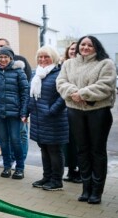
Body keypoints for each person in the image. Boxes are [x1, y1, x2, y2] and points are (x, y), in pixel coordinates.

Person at [56, 35, 116, 204]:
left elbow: (106, 85)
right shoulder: (69, 64)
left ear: (96, 47)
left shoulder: (106, 63)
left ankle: (97, 191)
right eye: (83, 44)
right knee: (82, 150)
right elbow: (61, 82)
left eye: (90, 45)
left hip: (98, 112)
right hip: (75, 112)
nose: (85, 47)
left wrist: (82, 94)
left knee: (97, 151)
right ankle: (86, 188)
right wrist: (73, 92)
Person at [0, 46, 30, 180]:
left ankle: (20, 168)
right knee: (3, 141)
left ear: (11, 58)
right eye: (0, 57)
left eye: (6, 57)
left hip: (14, 113)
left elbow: (25, 93)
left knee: (16, 140)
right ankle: (7, 166)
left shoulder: (18, 72)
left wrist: (23, 112)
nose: (3, 59)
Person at [28, 45, 68, 191]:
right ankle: (47, 177)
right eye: (40, 57)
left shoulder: (60, 74)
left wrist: (51, 111)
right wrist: (26, 112)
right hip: (39, 120)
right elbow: (31, 95)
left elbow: (64, 96)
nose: (43, 59)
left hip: (54, 119)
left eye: (46, 56)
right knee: (44, 148)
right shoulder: (37, 74)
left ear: (54, 58)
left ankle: (57, 181)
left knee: (54, 150)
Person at [62, 41, 81, 183]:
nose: (73, 51)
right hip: (65, 109)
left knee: (79, 141)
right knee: (68, 143)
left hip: (80, 108)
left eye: (75, 49)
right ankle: (71, 169)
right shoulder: (63, 66)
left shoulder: (83, 66)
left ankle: (81, 171)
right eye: (71, 49)